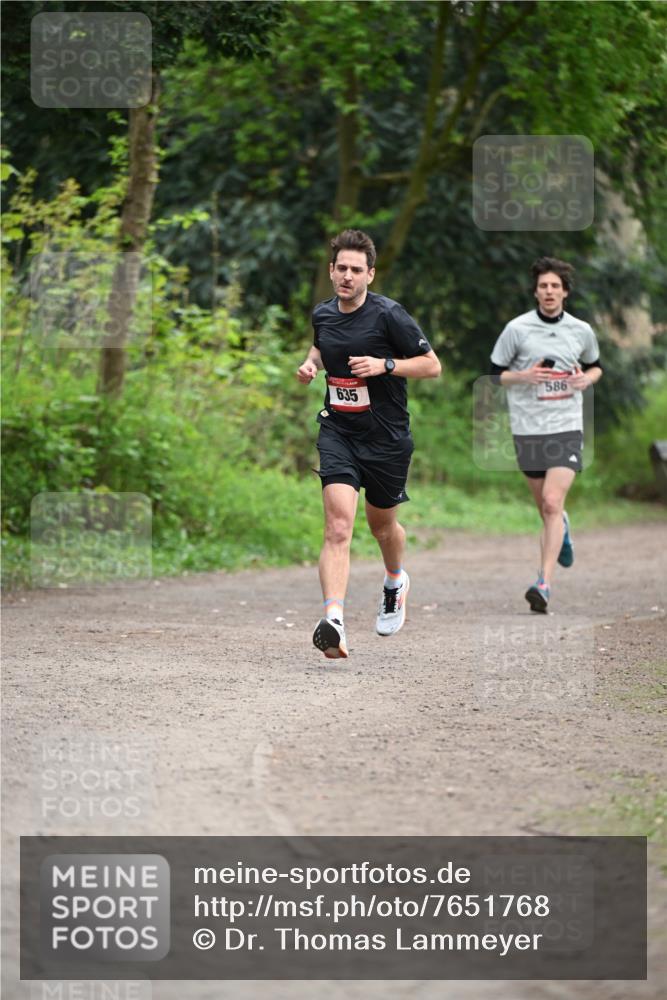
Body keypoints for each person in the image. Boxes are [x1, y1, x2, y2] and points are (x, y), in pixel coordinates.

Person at [297, 229, 441, 659]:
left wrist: (385, 365)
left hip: (386, 438)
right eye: (340, 268)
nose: (347, 276)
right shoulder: (323, 314)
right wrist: (309, 363)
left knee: (382, 527)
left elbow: (432, 366)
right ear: (331, 270)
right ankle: (334, 620)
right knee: (338, 526)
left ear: (370, 275)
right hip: (339, 430)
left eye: (356, 270)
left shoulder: (389, 316)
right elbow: (321, 346)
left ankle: (395, 579)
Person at [490, 256, 603, 613]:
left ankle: (544, 583)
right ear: (536, 292)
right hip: (528, 427)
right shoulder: (517, 329)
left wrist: (587, 379)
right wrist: (524, 377)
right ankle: (563, 528)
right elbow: (496, 374)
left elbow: (595, 366)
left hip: (566, 426)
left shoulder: (580, 330)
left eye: (555, 286)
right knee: (545, 507)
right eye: (543, 286)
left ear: (565, 291)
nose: (549, 291)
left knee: (553, 501)